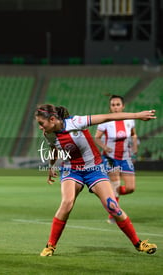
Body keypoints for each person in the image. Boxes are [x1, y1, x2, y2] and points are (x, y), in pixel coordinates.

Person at [35, 104, 157, 256]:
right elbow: (54, 149)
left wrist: (137, 115)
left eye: (41, 123)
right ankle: (50, 246)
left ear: (52, 119)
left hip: (95, 170)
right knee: (67, 203)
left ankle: (138, 244)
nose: (40, 127)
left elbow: (108, 117)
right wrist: (51, 166)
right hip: (71, 170)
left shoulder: (76, 122)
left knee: (113, 207)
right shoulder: (49, 133)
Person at [94, 95, 137, 224]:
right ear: (110, 107)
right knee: (116, 182)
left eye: (118, 104)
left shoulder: (129, 120)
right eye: (113, 105)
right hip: (110, 157)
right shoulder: (105, 121)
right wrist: (104, 147)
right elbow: (96, 138)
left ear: (123, 106)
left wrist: (134, 149)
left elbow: (134, 134)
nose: (115, 107)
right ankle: (113, 213)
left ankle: (111, 195)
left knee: (130, 188)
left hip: (125, 157)